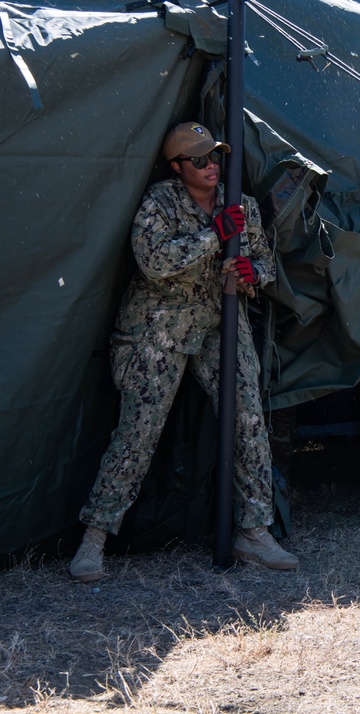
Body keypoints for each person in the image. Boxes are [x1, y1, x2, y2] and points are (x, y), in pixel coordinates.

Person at [68, 122, 299, 582]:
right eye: (199, 160)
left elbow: (267, 264)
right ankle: (94, 539)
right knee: (139, 430)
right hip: (160, 327)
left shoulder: (242, 205)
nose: (211, 166)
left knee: (248, 417)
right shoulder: (161, 202)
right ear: (178, 167)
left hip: (219, 320)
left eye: (215, 156)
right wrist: (214, 235)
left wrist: (250, 272)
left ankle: (254, 531)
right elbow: (152, 262)